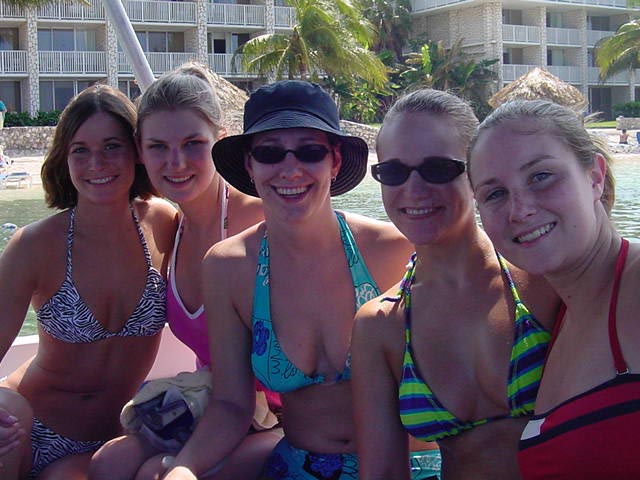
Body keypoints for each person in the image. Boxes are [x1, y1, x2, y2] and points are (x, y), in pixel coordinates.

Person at [155, 80, 413, 480]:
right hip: (298, 468)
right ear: (250, 165)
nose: (290, 169)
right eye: (270, 153)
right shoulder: (227, 267)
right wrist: (184, 468)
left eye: (310, 151)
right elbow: (231, 404)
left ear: (335, 161)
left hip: (407, 466)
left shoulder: (392, 250)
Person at [351, 89, 559, 480]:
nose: (414, 190)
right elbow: (382, 471)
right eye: (394, 172)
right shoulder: (381, 325)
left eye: (437, 169)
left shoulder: (545, 281)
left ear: (478, 173)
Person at [89, 62, 282, 480]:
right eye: (158, 146)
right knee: (108, 463)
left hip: (283, 416)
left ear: (221, 142)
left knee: (156, 474)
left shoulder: (264, 223)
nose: (176, 162)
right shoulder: (169, 229)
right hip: (210, 403)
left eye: (193, 144)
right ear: (140, 150)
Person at [0, 85, 176, 479]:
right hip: (27, 433)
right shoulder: (35, 245)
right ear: (64, 158)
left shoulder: (163, 222)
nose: (97, 163)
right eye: (80, 150)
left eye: (112, 146)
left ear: (136, 151)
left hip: (112, 440)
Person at [468, 99, 639, 479]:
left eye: (541, 176)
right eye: (495, 194)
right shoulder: (556, 316)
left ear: (594, 177)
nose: (520, 210)